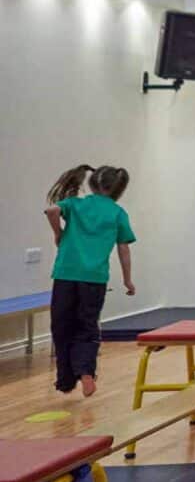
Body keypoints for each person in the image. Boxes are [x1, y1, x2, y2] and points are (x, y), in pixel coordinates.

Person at [43, 165, 135, 397]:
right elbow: (123, 248)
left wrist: (58, 233)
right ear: (118, 190)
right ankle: (85, 372)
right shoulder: (117, 212)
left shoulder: (76, 204)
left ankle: (64, 379)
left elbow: (52, 211)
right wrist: (127, 280)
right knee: (87, 326)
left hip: (65, 273)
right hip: (94, 278)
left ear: (93, 184)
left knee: (61, 325)